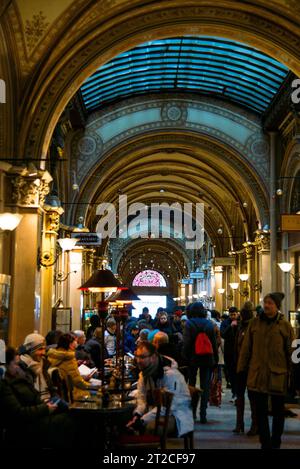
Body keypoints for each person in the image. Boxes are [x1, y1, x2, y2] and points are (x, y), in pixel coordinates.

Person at [238, 292, 295, 449]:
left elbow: (292, 351)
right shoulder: (255, 324)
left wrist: (294, 374)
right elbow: (246, 348)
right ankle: (265, 442)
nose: (267, 305)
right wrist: (241, 369)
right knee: (260, 412)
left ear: (277, 306)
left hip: (278, 375)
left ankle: (276, 442)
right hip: (257, 374)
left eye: (270, 303)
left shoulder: (285, 326)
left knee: (278, 412)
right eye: (265, 302)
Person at [0, 346, 76, 448]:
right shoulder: (5, 384)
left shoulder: (19, 378)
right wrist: (45, 408)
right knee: (70, 420)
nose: (19, 367)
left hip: (36, 416)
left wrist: (45, 404)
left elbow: (34, 396)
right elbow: (18, 413)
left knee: (72, 413)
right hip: (26, 426)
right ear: (6, 365)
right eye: (16, 364)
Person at [127, 341, 194, 437]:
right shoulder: (144, 373)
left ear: (153, 357)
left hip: (176, 415)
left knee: (149, 428)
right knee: (127, 420)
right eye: (137, 356)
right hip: (157, 411)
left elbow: (167, 406)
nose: (138, 361)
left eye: (142, 357)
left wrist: (142, 420)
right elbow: (142, 398)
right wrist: (137, 415)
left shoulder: (171, 375)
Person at [182, 302, 218, 423]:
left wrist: (184, 356)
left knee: (191, 385)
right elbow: (214, 343)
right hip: (207, 357)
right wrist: (215, 359)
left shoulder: (189, 324)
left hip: (193, 358)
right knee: (205, 386)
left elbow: (186, 343)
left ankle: (192, 412)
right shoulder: (209, 323)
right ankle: (203, 413)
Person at [233, 301, 257, 435]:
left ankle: (254, 424)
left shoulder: (254, 327)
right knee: (240, 395)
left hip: (252, 366)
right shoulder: (240, 327)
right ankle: (239, 422)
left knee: (253, 396)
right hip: (240, 365)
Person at [47, 333, 96, 400]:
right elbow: (78, 382)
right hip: (73, 393)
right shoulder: (69, 357)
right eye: (75, 341)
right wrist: (94, 386)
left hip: (62, 393)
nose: (76, 342)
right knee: (99, 393)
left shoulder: (54, 355)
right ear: (70, 344)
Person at [19, 333, 54, 402]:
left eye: (44, 349)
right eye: (40, 349)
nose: (44, 353)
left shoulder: (43, 365)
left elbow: (51, 390)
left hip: (49, 403)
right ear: (30, 350)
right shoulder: (21, 368)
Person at [221, 306, 240, 401]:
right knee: (231, 373)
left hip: (239, 352)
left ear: (237, 314)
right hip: (229, 351)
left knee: (238, 374)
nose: (233, 316)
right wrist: (230, 326)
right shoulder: (225, 323)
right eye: (231, 315)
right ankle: (234, 392)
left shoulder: (241, 322)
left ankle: (238, 394)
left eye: (234, 314)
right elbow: (222, 334)